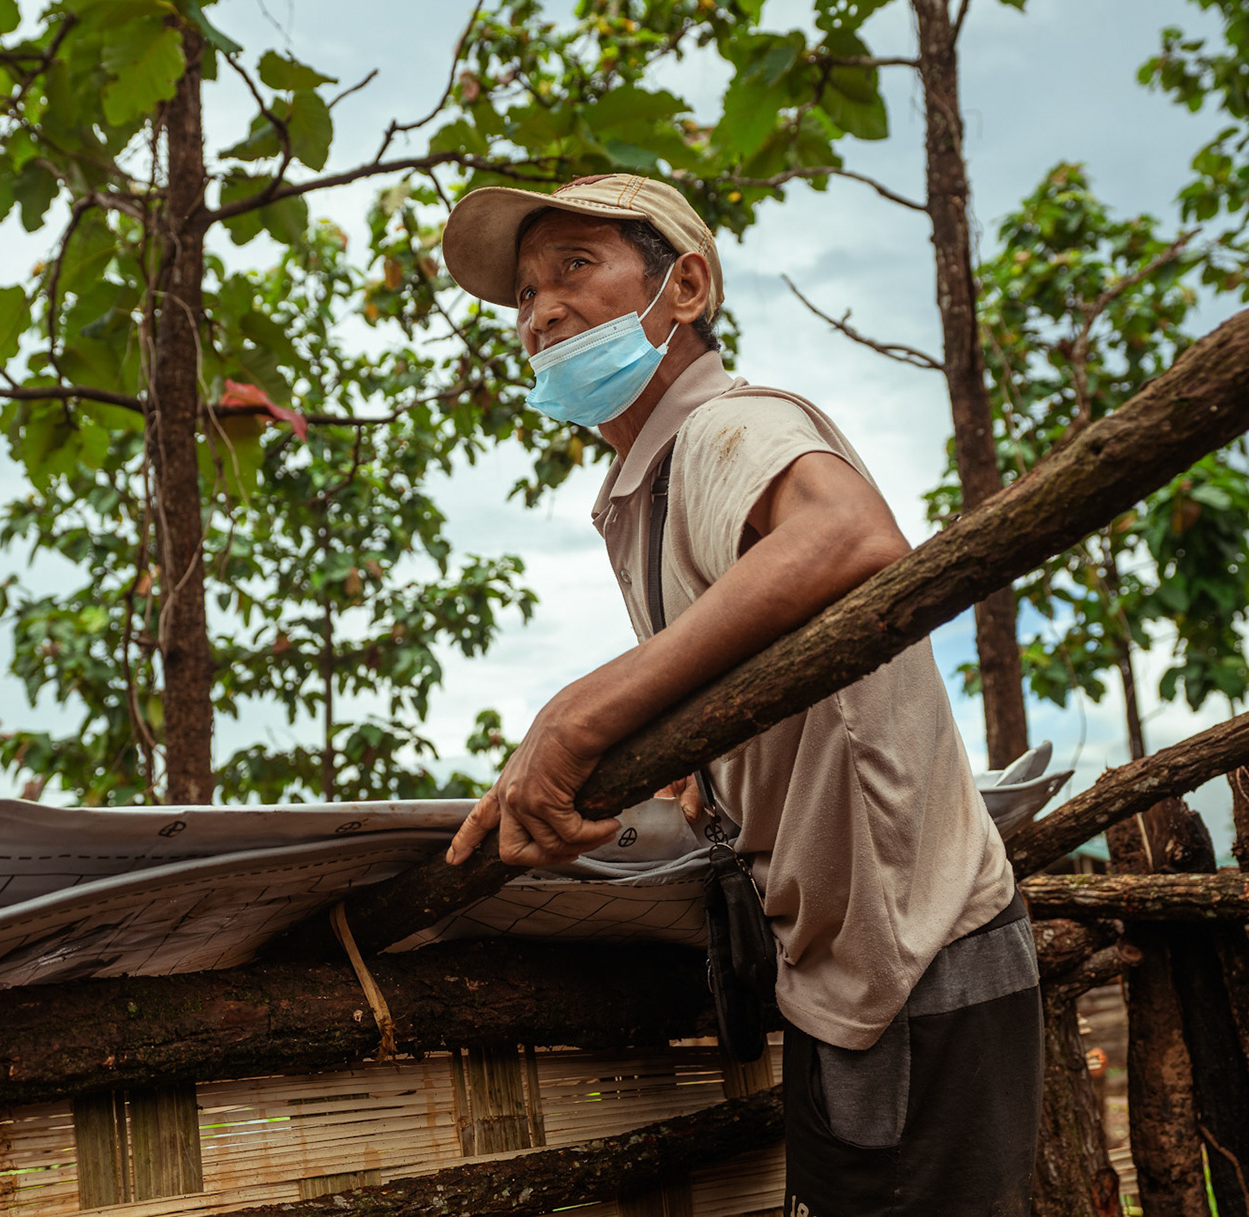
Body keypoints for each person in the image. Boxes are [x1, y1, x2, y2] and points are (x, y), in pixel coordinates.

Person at [439, 174, 1042, 1216]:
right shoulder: (655, 483)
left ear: (686, 286)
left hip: (915, 952)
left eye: (575, 267)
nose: (540, 312)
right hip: (845, 969)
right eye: (525, 295)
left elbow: (848, 537)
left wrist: (574, 717)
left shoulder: (725, 426)